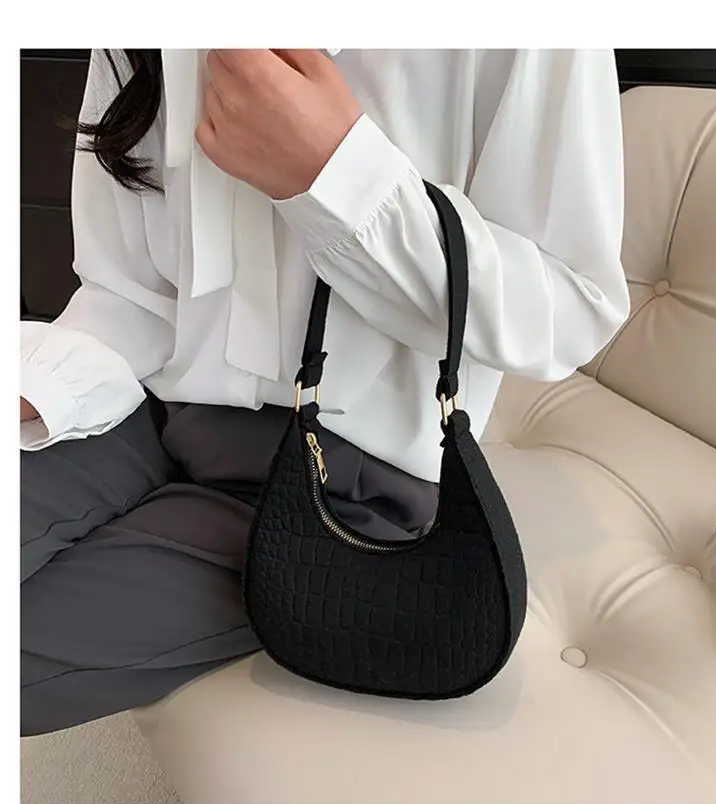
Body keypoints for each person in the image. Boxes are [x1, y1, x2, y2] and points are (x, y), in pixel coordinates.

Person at [20, 49, 629, 736]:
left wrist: (335, 176)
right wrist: (41, 387)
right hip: (138, 399)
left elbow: (571, 309)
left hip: (346, 481)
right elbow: (127, 289)